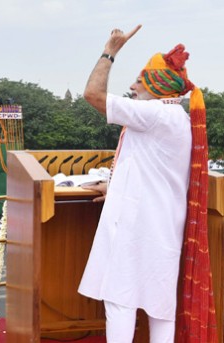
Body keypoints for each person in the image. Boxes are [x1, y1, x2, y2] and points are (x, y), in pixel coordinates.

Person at [79, 25, 216, 342]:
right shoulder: (177, 117)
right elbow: (150, 169)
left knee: (120, 298)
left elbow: (92, 94)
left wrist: (110, 50)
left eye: (139, 80)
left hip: (139, 226)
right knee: (159, 305)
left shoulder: (154, 114)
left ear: (156, 85)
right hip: (162, 224)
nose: (131, 85)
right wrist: (113, 189)